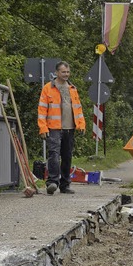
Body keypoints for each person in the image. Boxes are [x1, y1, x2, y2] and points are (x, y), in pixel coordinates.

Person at [38, 61, 85, 195]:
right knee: (54, 155)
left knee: (67, 156)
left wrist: (81, 124)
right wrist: (43, 128)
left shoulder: (72, 89)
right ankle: (52, 182)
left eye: (68, 72)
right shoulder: (48, 88)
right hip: (53, 128)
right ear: (57, 72)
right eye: (63, 72)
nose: (66, 74)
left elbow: (78, 109)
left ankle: (65, 185)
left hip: (69, 128)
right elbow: (42, 109)